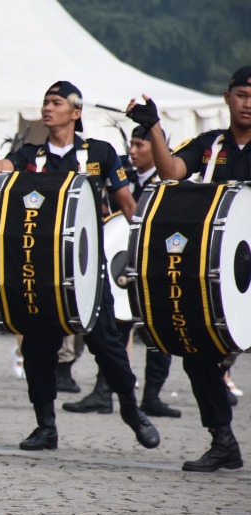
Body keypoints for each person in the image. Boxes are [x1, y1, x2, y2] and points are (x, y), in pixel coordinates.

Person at [0, 82, 159, 452]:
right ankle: (46, 425)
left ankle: (133, 411)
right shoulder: (29, 155)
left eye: (56, 103)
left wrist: (140, 255)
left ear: (76, 111)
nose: (48, 108)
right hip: (40, 271)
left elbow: (129, 209)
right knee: (38, 350)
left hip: (88, 267)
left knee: (108, 345)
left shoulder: (99, 153)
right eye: (45, 102)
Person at [131, 66, 251, 471]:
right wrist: (154, 129)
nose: (248, 102)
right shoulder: (208, 145)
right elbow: (170, 173)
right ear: (226, 97)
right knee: (197, 352)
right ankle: (223, 441)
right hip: (221, 273)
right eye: (241, 94)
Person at [63, 123, 181, 419]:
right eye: (132, 144)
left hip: (154, 263)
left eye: (140, 145)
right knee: (114, 329)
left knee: (158, 330)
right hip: (119, 263)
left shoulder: (169, 182)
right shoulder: (122, 177)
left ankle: (152, 396)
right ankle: (104, 393)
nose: (132, 150)